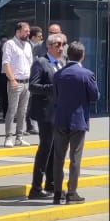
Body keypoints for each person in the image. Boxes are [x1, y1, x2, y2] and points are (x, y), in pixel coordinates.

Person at [49, 40, 98, 203]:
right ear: (82, 56)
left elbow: (55, 97)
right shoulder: (87, 74)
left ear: (67, 55)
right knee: (75, 158)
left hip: (61, 119)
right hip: (78, 121)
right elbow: (95, 96)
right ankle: (72, 192)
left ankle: (57, 192)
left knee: (58, 158)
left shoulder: (58, 74)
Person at [26, 30, 67, 198]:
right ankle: (36, 187)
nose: (61, 48)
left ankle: (50, 184)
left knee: (54, 149)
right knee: (45, 148)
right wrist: (53, 89)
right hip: (45, 112)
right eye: (58, 45)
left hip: (58, 112)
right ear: (49, 46)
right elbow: (33, 86)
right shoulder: (40, 63)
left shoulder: (61, 63)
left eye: (63, 44)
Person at [1, 20, 34, 146]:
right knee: (12, 110)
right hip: (15, 82)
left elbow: (30, 63)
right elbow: (6, 63)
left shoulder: (28, 45)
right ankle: (8, 137)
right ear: (18, 31)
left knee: (23, 111)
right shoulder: (10, 44)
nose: (28, 33)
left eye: (29, 31)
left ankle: (19, 137)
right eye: (26, 31)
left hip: (27, 82)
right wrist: (12, 79)